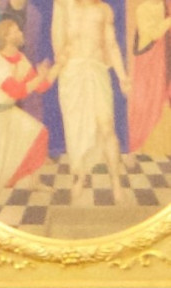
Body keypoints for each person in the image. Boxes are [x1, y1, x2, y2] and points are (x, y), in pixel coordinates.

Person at [51, 0, 130, 201]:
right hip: (72, 75)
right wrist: (60, 66)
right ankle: (80, 176)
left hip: (96, 71)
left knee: (106, 127)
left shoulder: (104, 10)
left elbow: (111, 45)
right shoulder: (64, 5)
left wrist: (122, 77)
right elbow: (57, 42)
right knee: (76, 129)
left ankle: (116, 182)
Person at [0, 18, 54, 196]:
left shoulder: (21, 59)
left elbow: (40, 86)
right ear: (6, 37)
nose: (20, 33)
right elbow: (17, 92)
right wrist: (40, 77)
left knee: (38, 133)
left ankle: (34, 182)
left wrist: (57, 68)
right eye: (16, 31)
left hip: (8, 113)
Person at [128, 0, 171, 157]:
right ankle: (139, 147)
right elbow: (153, 34)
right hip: (149, 64)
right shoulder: (143, 9)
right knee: (147, 104)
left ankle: (164, 147)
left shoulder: (166, 5)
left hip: (165, 62)